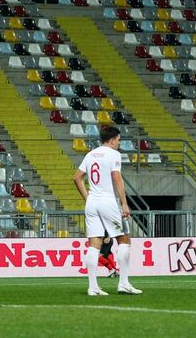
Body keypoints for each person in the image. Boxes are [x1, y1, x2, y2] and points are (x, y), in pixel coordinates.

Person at [73, 126, 141, 296]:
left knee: (94, 243)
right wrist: (124, 203)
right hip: (107, 201)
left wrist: (87, 197)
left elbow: (76, 178)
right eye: (118, 140)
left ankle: (93, 287)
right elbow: (116, 178)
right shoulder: (114, 154)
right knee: (124, 239)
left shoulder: (90, 154)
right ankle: (124, 283)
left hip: (92, 202)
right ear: (112, 140)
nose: (119, 143)